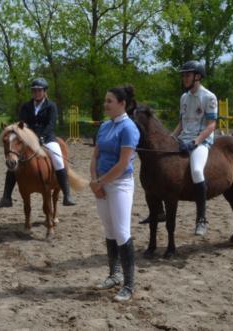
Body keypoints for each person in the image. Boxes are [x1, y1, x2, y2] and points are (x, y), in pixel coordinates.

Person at [0, 77, 75, 208]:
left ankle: (67, 195)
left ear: (44, 91)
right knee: (13, 163)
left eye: (39, 90)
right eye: (34, 90)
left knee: (59, 160)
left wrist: (42, 136)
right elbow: (22, 124)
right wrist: (28, 136)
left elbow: (51, 124)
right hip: (28, 139)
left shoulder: (51, 106)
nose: (36, 93)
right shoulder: (26, 106)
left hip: (47, 138)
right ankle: (6, 197)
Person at [90, 85, 139, 302]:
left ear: (122, 103)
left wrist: (100, 182)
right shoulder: (104, 126)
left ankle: (129, 284)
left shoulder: (129, 128)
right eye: (105, 100)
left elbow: (122, 164)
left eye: (109, 101)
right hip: (101, 184)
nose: (105, 104)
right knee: (109, 230)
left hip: (119, 185)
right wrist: (94, 181)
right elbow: (95, 156)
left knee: (121, 231)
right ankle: (114, 274)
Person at [173, 60, 217, 236]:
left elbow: (211, 125)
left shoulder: (209, 97)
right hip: (183, 138)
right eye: (183, 75)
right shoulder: (184, 97)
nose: (184, 78)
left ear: (197, 76)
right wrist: (170, 138)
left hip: (201, 141)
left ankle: (201, 219)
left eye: (188, 75)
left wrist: (195, 142)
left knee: (197, 171)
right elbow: (181, 124)